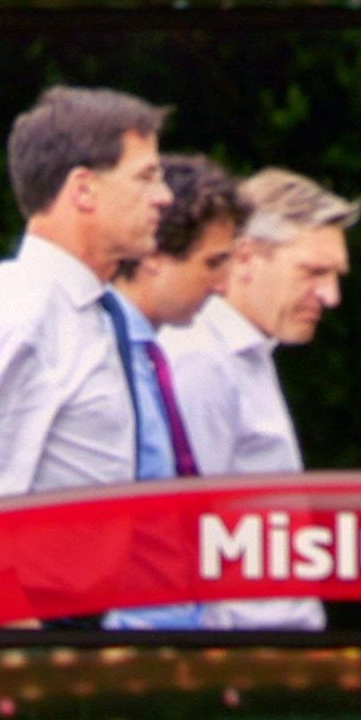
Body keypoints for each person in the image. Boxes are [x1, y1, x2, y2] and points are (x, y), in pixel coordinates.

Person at [0, 85, 172, 504]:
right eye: (146, 177)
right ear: (83, 189)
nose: (164, 197)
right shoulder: (18, 315)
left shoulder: (84, 309)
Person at [158, 167, 361, 631]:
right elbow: (176, 546)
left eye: (335, 276)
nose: (331, 296)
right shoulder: (200, 360)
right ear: (245, 258)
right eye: (314, 272)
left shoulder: (248, 353)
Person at [101, 154, 247, 630]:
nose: (223, 286)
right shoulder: (103, 357)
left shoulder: (146, 356)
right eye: (213, 263)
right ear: (152, 258)